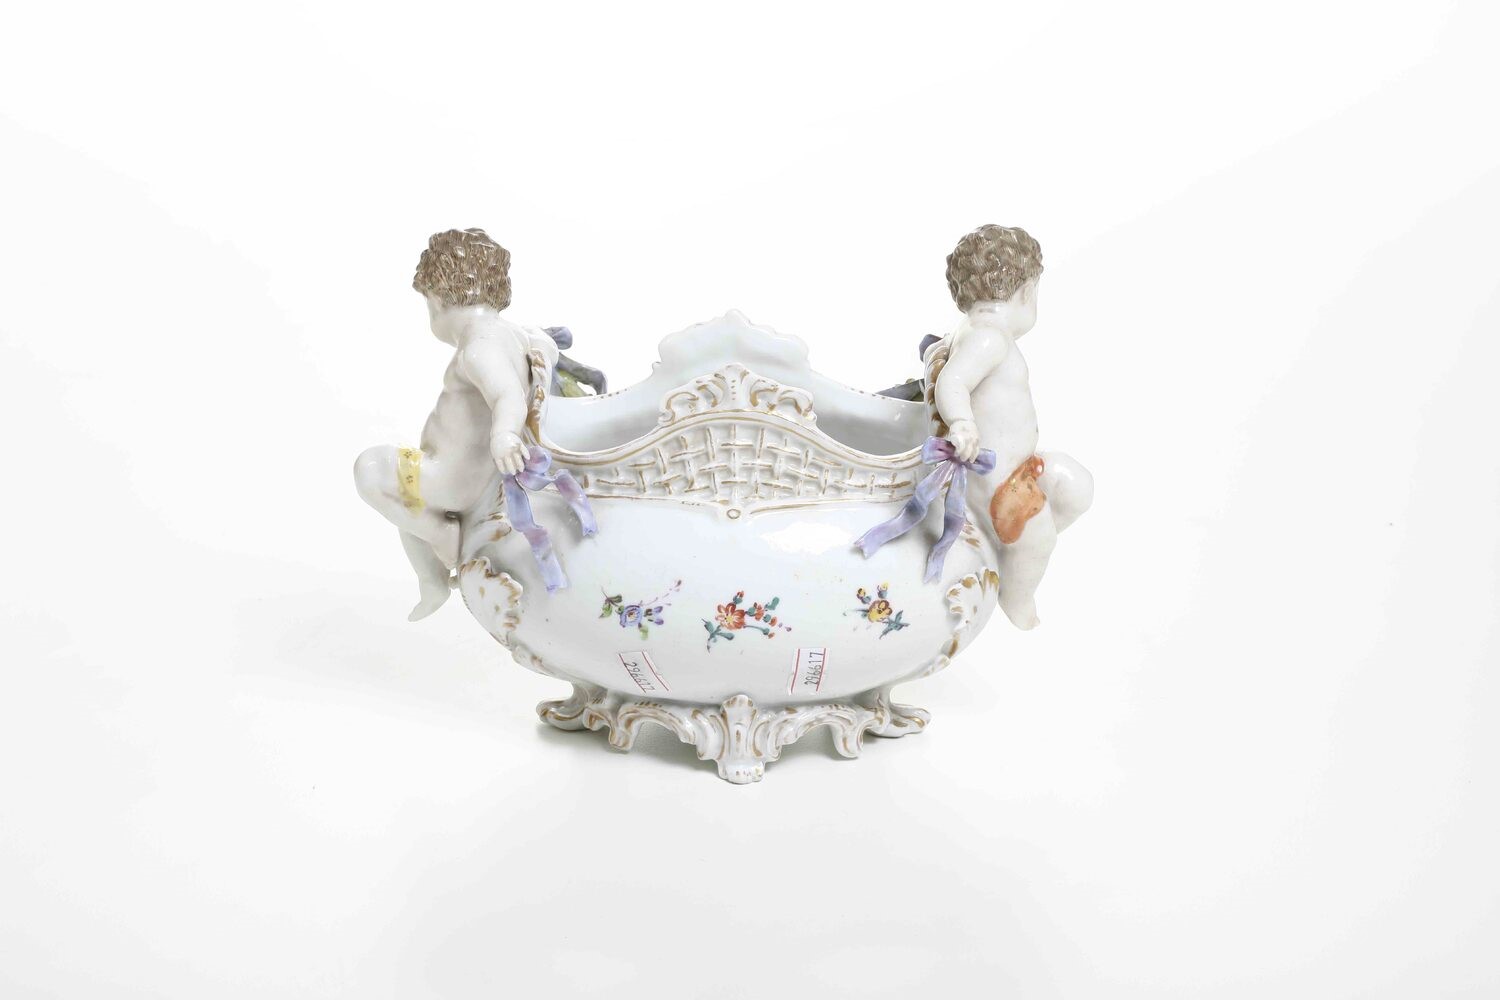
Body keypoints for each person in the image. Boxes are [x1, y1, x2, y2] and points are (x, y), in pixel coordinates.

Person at [354, 228, 558, 620]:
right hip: (454, 476)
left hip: (451, 476)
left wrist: (504, 435)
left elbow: (506, 394)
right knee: (407, 506)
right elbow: (544, 348)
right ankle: (432, 580)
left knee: (372, 468)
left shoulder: (479, 346)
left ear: (438, 299)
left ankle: (441, 534)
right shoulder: (513, 333)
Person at [927, 224, 1092, 629]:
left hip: (1018, 466)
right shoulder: (989, 339)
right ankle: (1016, 593)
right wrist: (962, 424)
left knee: (1075, 485)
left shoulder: (979, 332)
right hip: (992, 476)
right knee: (1039, 538)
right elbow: (953, 382)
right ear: (1026, 292)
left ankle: (1013, 549)